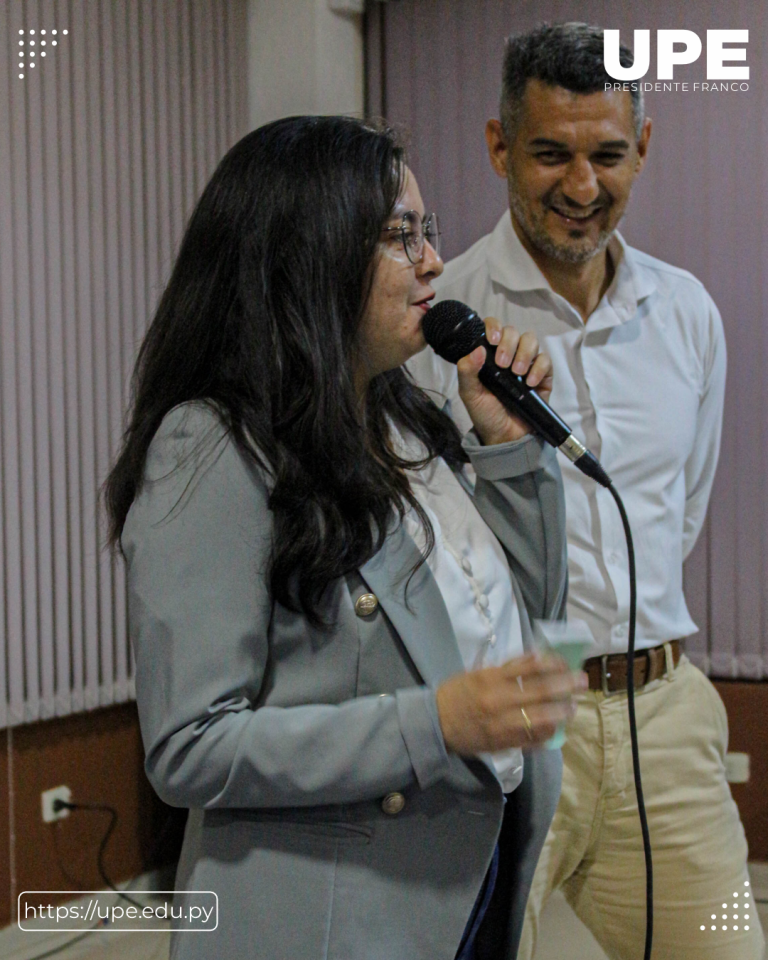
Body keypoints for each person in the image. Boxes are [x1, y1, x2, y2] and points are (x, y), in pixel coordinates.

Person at [104, 115, 585, 960]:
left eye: (426, 232)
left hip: (472, 873)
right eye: (401, 236)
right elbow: (190, 747)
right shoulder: (214, 443)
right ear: (305, 255)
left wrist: (509, 452)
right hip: (334, 923)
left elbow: (525, 610)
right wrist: (431, 724)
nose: (434, 260)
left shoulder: (407, 417)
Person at [407, 22, 765, 960]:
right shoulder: (440, 323)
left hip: (665, 719)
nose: (580, 186)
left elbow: (678, 510)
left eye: (607, 154)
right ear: (497, 147)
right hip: (500, 722)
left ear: (642, 149)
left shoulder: (686, 312)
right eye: (549, 154)